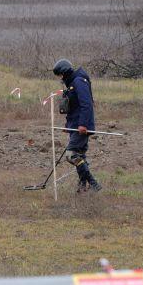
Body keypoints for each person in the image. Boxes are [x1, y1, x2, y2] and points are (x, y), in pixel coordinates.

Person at [52, 59, 102, 192]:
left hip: (82, 126)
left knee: (71, 154)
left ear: (65, 72)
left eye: (60, 75)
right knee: (79, 155)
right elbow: (74, 107)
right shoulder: (73, 83)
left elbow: (86, 104)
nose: (60, 79)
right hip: (75, 125)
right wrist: (68, 125)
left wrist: (83, 124)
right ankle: (82, 186)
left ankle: (94, 183)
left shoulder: (79, 81)